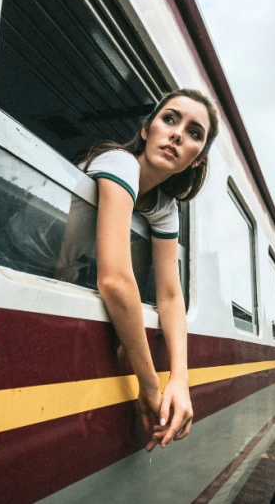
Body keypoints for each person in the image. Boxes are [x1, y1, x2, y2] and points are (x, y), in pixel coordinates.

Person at [76, 88, 219, 452]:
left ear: (197, 159)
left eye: (193, 133)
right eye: (169, 119)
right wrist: (151, 385)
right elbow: (115, 281)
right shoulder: (118, 162)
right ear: (146, 129)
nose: (176, 134)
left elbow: (172, 297)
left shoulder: (165, 207)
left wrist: (181, 379)